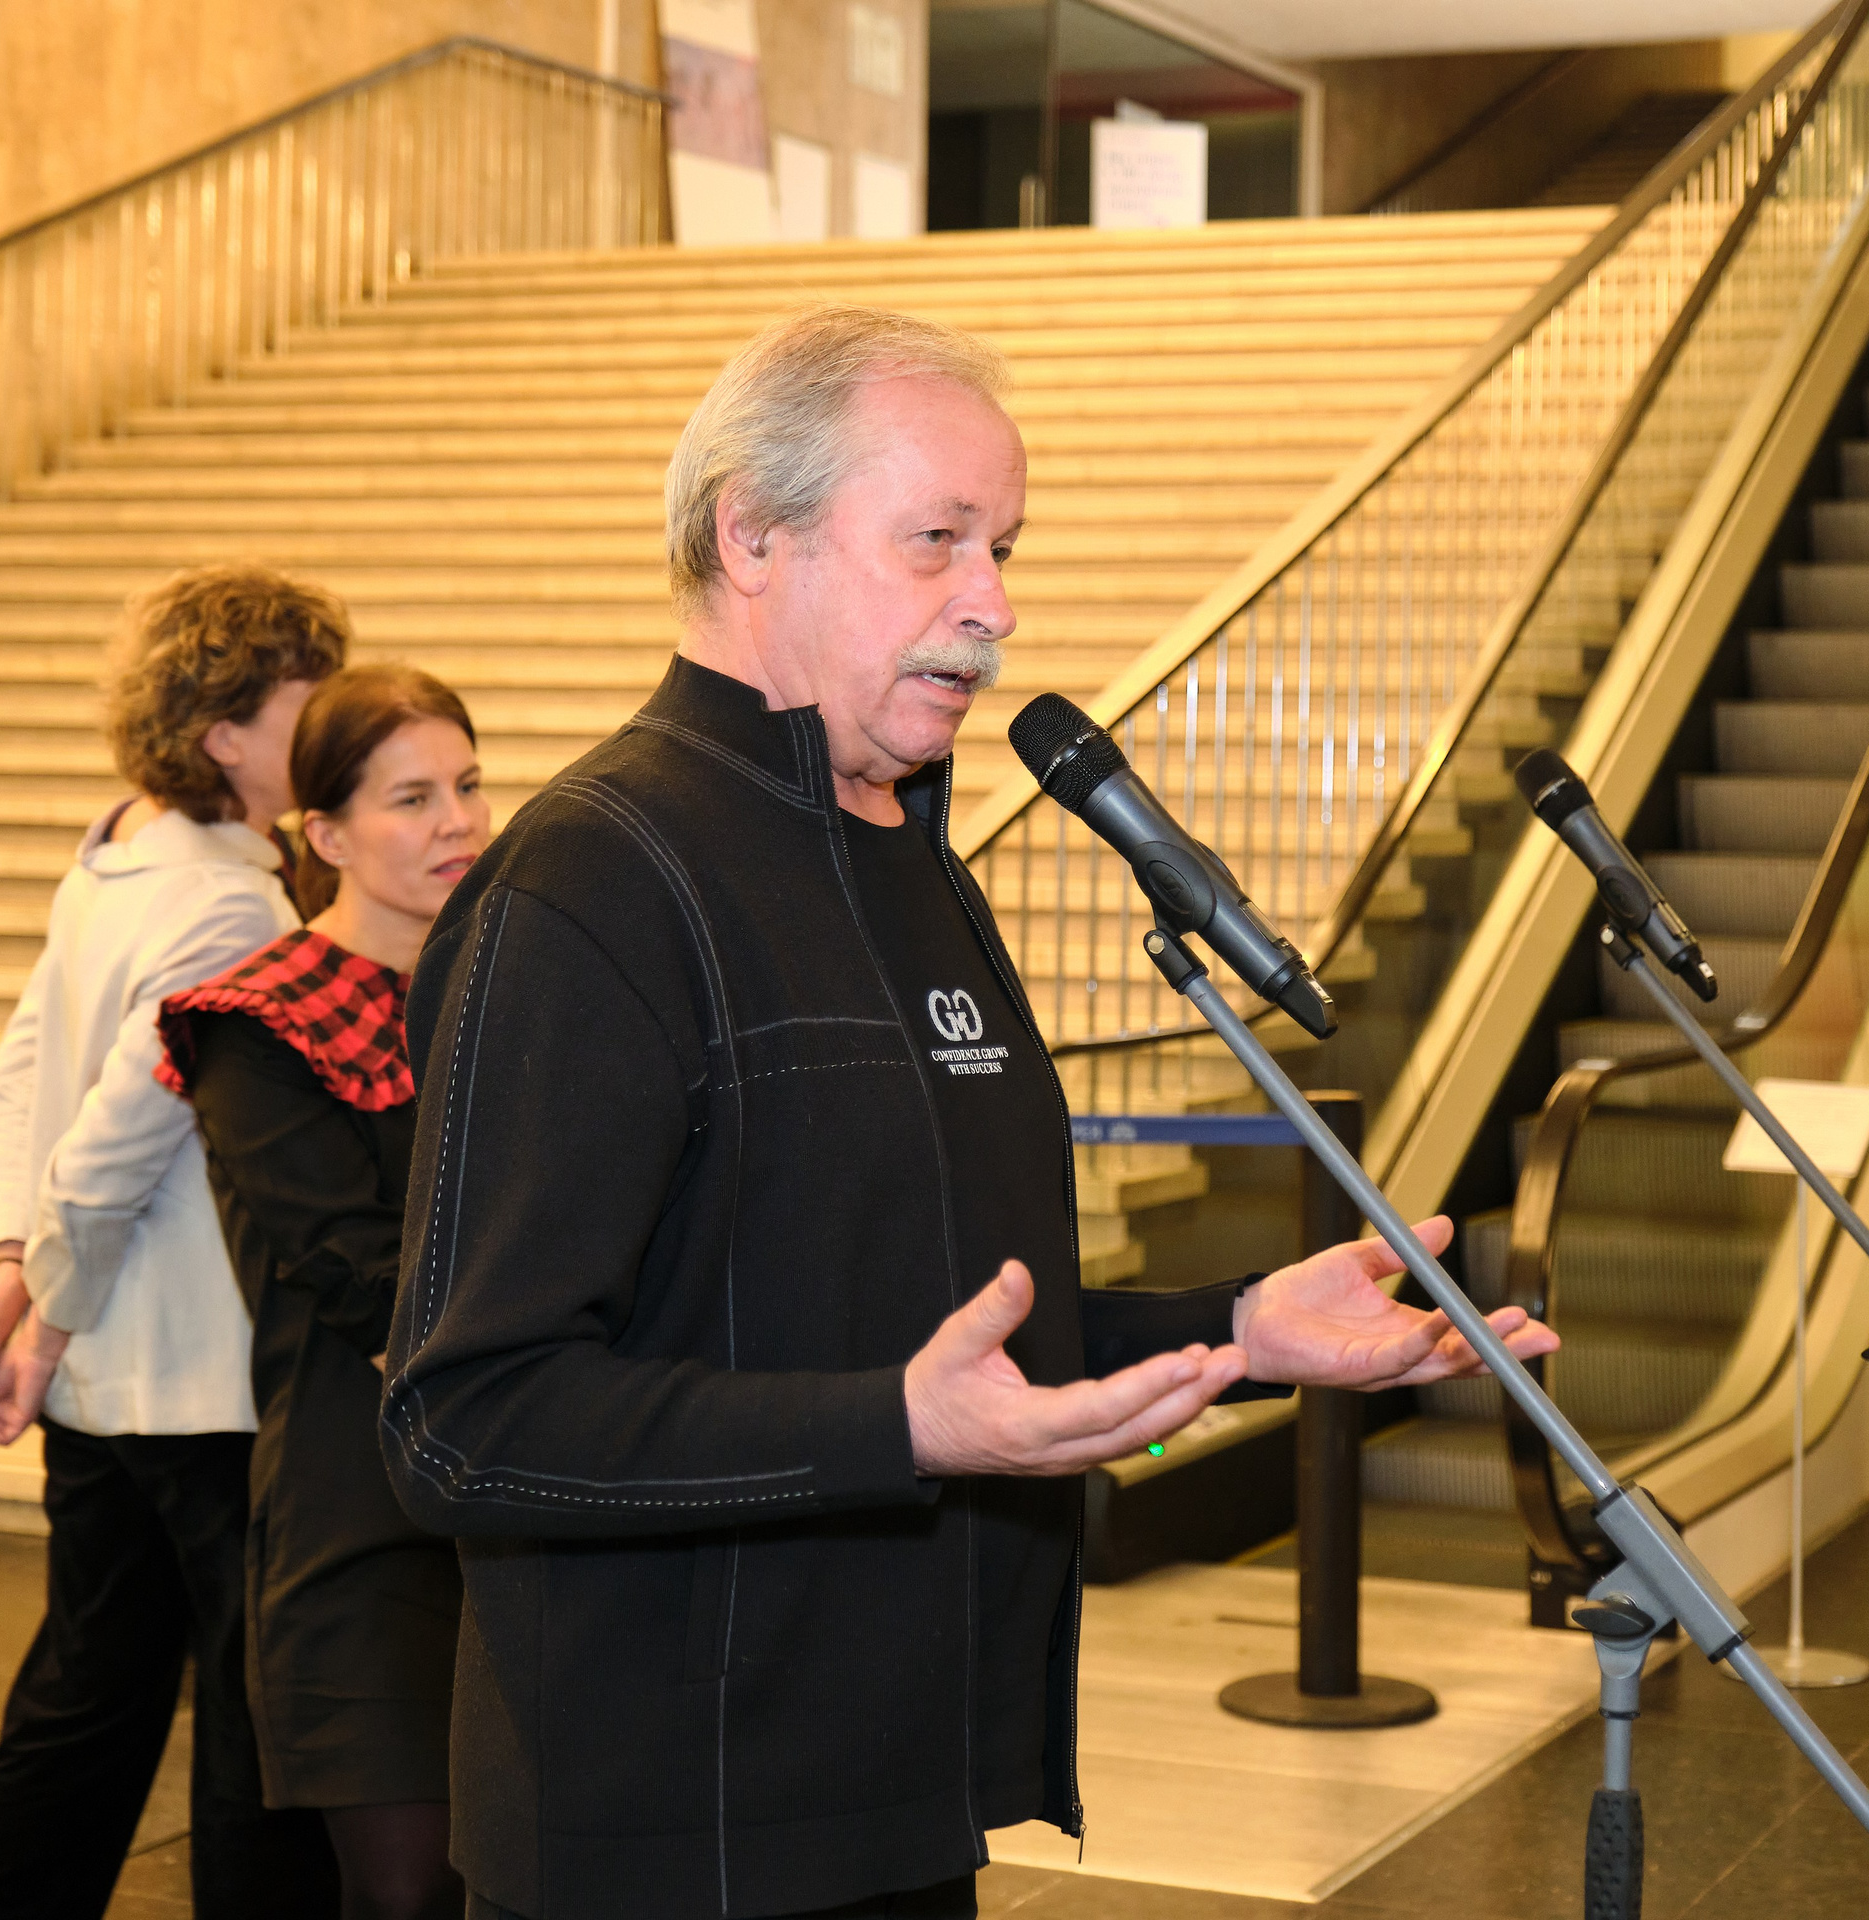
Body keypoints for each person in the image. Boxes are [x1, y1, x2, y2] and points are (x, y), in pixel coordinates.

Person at [378, 306, 1560, 1920]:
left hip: (906, 1814)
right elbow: (463, 1422)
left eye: (1000, 547)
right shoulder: (594, 880)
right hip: (668, 1850)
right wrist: (894, 1430)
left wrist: (1240, 1328)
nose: (993, 605)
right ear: (754, 535)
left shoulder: (914, 869)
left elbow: (947, 1339)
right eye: (936, 542)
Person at [0, 563, 351, 1920]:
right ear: (227, 734)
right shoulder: (228, 909)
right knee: (255, 1733)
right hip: (197, 1391)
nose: (325, 733)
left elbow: (14, 1081)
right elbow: (103, 1147)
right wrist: (38, 1325)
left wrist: (4, 1288)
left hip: (107, 1387)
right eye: (305, 706)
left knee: (87, 1701)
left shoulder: (119, 857)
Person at [157, 664, 488, 1920]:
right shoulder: (259, 1024)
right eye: (412, 797)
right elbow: (358, 1271)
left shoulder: (516, 994)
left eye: (466, 784)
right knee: (407, 1891)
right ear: (326, 835)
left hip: (528, 1501)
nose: (456, 820)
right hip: (362, 1516)